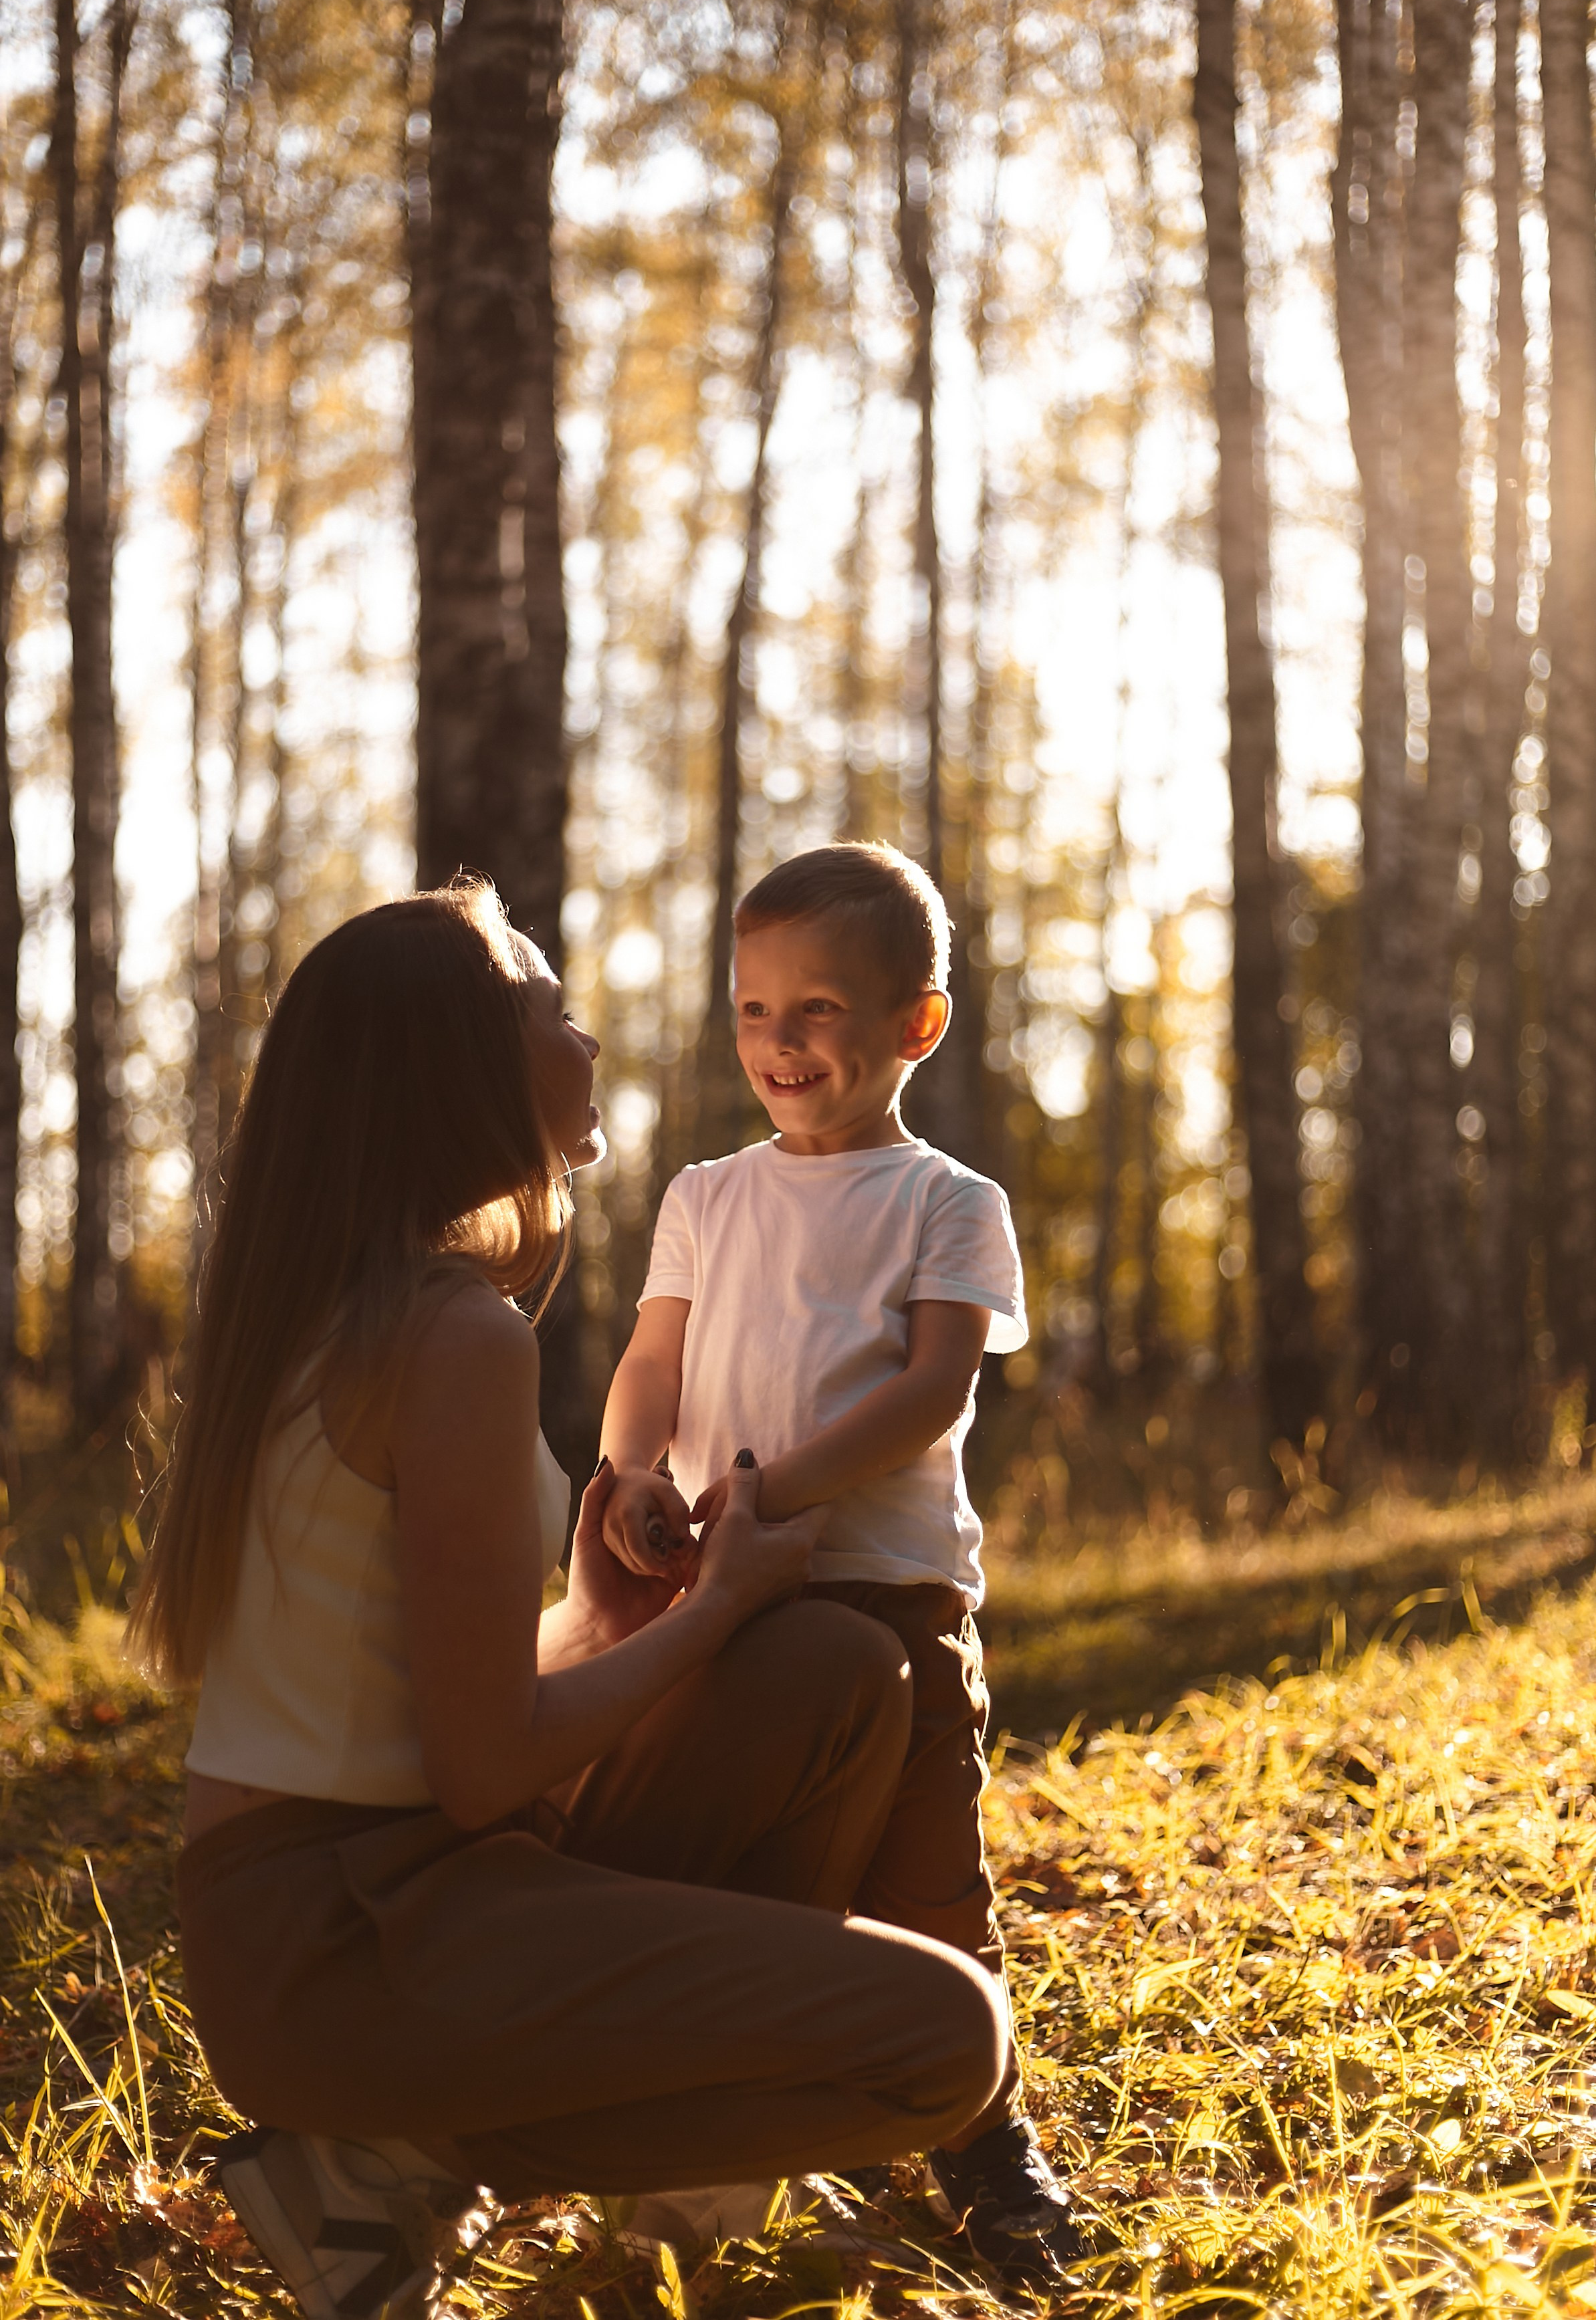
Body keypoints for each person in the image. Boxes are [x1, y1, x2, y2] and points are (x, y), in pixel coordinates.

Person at [130, 879, 1006, 2320]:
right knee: (945, 2044)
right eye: (552, 1008)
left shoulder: (354, 1312)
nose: (589, 1039)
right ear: (466, 1066)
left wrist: (605, 1617)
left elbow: (403, 1701)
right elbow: (480, 1774)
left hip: (349, 1905)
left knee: (839, 1676)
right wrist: (712, 1610)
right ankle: (395, 2165)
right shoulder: (454, 1336)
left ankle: (611, 2174)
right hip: (353, 1941)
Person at [599, 841, 1081, 2281]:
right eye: (754, 1010)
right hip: (722, 1602)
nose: (780, 1044)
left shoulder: (949, 1204)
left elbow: (931, 1392)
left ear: (914, 1026)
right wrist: (633, 1470)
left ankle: (987, 2142)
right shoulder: (704, 1195)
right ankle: (743, 2124)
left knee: (927, 1877)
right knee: (752, 1870)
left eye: (818, 1010)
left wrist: (765, 1490)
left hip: (892, 1591)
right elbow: (651, 1361)